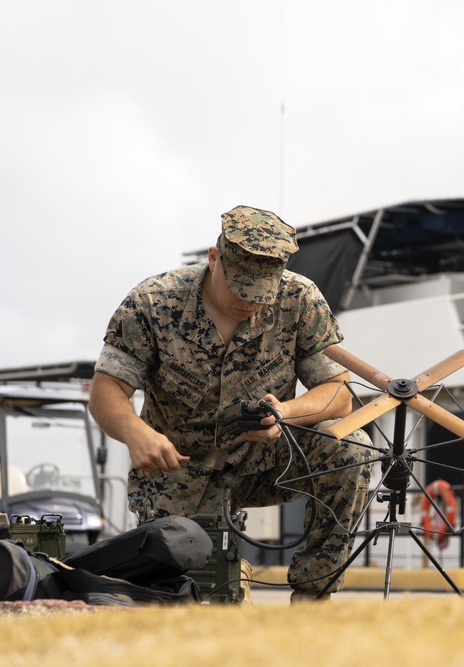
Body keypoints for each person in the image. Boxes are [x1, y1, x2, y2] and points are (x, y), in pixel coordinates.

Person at [88, 205, 374, 603]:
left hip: (267, 461)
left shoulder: (299, 299)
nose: (250, 304)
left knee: (352, 448)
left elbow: (339, 392)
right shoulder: (153, 302)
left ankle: (314, 599)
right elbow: (106, 392)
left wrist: (286, 413)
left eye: (261, 295)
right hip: (178, 471)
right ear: (213, 257)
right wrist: (136, 433)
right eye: (241, 290)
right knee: (191, 602)